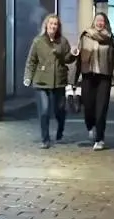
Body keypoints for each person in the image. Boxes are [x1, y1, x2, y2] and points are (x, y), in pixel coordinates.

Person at [24, 14, 78, 148]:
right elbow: (31, 61)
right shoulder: (38, 41)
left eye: (55, 24)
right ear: (46, 25)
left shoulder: (63, 41)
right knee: (44, 110)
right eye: (51, 23)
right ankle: (45, 139)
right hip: (41, 81)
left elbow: (67, 59)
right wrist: (28, 77)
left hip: (59, 81)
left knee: (59, 110)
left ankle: (61, 127)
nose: (53, 26)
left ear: (58, 27)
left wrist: (73, 54)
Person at [75, 13, 114, 150]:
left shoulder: (111, 39)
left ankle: (100, 139)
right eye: (97, 20)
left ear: (106, 23)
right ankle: (90, 126)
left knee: (101, 109)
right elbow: (78, 58)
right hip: (88, 76)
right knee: (88, 106)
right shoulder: (85, 36)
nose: (99, 23)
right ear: (94, 22)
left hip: (104, 77)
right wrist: (73, 79)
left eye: (102, 21)